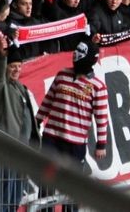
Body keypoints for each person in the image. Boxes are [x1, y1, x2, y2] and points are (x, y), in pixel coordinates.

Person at [36, 41, 109, 170]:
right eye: (76, 50)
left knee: (71, 182)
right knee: (47, 179)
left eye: (81, 52)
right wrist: (37, 121)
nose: (75, 54)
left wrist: (101, 144)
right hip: (52, 136)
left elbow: (101, 118)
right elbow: (48, 100)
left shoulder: (98, 87)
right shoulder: (62, 75)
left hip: (76, 142)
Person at [0, 33, 40, 211]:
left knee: (13, 202)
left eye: (19, 66)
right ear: (5, 67)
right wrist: (1, 57)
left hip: (20, 157)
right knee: (2, 203)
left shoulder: (21, 88)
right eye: (12, 66)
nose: (17, 69)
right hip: (4, 157)